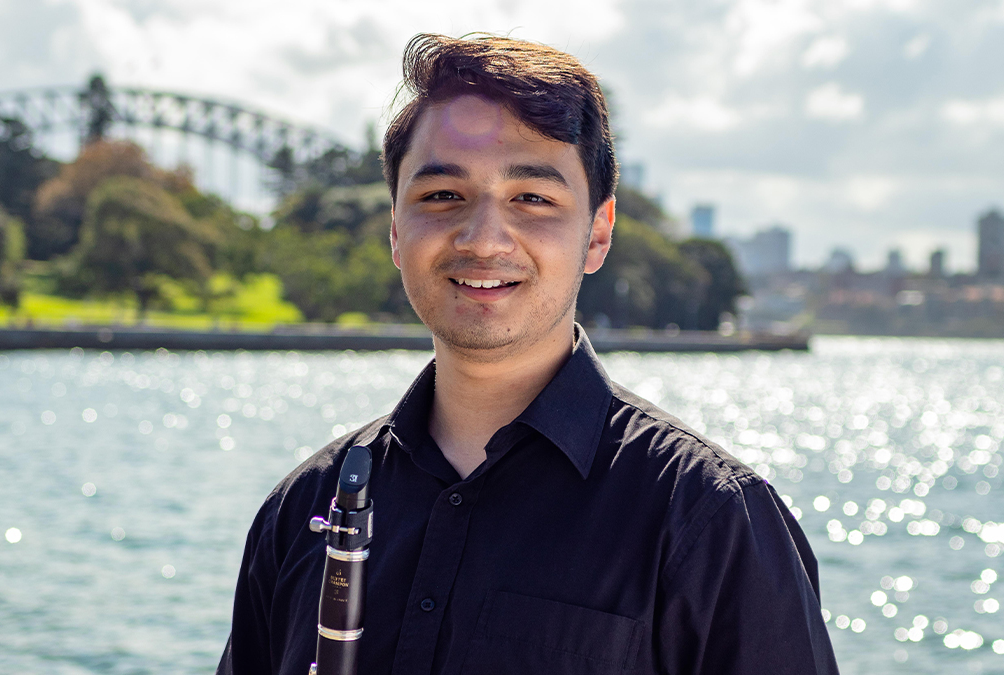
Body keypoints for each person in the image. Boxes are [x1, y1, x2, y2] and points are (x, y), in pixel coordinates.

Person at [217, 33, 838, 675]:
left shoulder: (710, 518)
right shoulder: (302, 509)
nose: (484, 239)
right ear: (397, 233)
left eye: (533, 199)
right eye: (441, 196)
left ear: (597, 235)